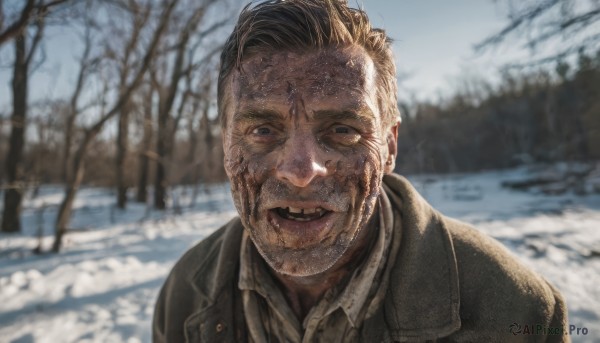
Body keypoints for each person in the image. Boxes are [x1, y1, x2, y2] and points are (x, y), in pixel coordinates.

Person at [153, 0, 569, 342]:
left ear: (389, 145)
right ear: (226, 144)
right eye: (262, 129)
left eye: (342, 130)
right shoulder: (184, 295)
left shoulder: (519, 313)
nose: (301, 171)